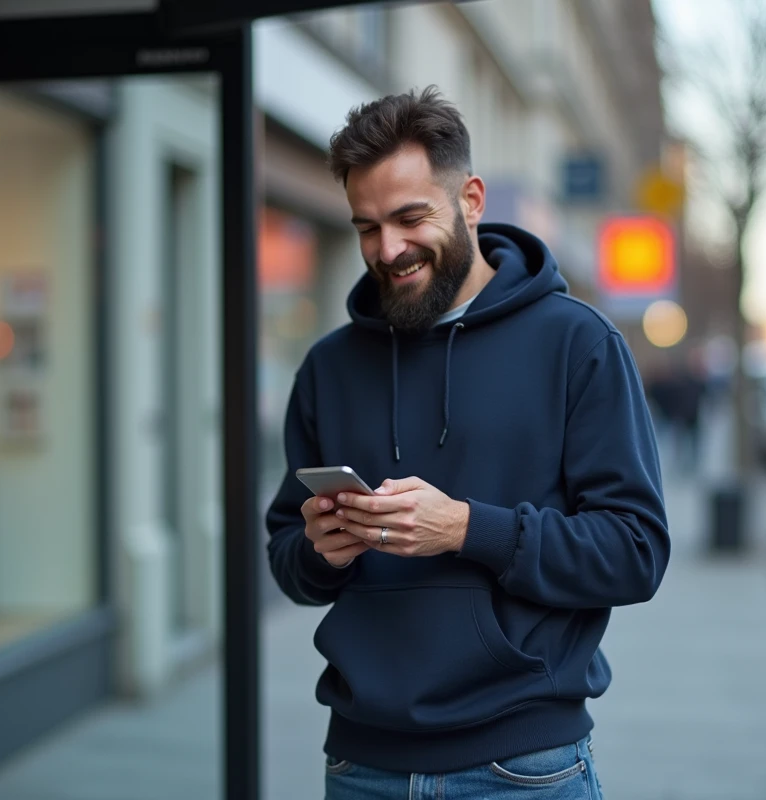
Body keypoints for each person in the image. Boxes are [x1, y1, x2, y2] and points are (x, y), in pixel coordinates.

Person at [265, 87, 670, 800]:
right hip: (361, 768)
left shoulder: (578, 345)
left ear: (472, 199)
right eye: (366, 227)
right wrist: (319, 552)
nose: (387, 249)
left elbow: (635, 552)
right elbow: (287, 562)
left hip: (523, 770)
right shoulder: (328, 368)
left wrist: (466, 529)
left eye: (409, 217)